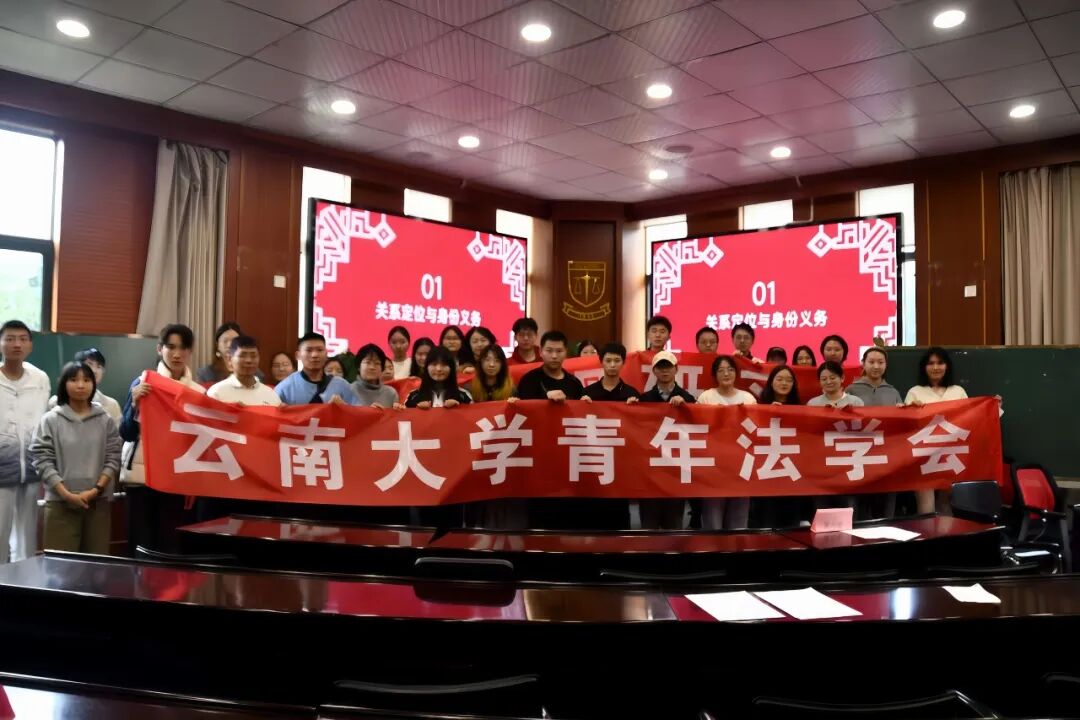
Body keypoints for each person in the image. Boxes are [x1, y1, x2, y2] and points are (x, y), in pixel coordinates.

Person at [120, 323, 206, 554]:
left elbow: (200, 443)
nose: (177, 354)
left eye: (183, 348)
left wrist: (194, 483)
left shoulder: (198, 393)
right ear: (160, 349)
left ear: (190, 351)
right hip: (142, 478)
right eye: (171, 347)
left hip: (176, 480)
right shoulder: (143, 383)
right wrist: (135, 404)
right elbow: (126, 432)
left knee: (170, 546)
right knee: (141, 546)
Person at [30, 362, 121, 554]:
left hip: (97, 503)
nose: (81, 385)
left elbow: (113, 456)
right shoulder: (50, 420)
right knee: (60, 566)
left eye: (86, 380)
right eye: (73, 380)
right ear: (64, 383)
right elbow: (42, 458)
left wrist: (96, 490)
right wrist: (65, 494)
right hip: (60, 504)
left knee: (96, 564)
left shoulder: (105, 420)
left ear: (93, 384)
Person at [0, 320, 51, 563]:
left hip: (32, 468)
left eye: (22, 339)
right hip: (1, 470)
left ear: (30, 345)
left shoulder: (40, 379)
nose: (16, 344)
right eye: (10, 339)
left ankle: (25, 582)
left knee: (28, 538)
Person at [905, 347, 969, 515]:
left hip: (951, 455)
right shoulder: (915, 391)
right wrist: (909, 410)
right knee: (926, 509)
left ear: (947, 366)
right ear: (924, 367)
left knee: (946, 505)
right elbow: (906, 427)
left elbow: (971, 419)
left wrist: (993, 408)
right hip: (923, 456)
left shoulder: (958, 391)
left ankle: (946, 533)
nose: (935, 367)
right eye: (931, 363)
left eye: (940, 363)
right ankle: (927, 533)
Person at [697, 355, 755, 530]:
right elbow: (697, 426)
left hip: (741, 465)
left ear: (736, 373)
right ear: (715, 375)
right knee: (712, 519)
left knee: (739, 520)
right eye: (721, 370)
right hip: (714, 467)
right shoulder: (706, 397)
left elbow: (755, 428)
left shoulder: (748, 398)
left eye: (730, 369)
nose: (726, 374)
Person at [638, 351, 693, 529]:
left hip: (675, 473)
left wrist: (686, 407)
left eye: (668, 366)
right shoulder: (643, 399)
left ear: (676, 369)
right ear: (654, 370)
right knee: (649, 529)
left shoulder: (688, 398)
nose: (664, 371)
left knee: (674, 530)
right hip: (650, 474)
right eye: (660, 367)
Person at [274, 332, 357, 405]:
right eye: (309, 350)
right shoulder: (285, 388)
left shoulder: (342, 385)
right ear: (298, 355)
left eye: (319, 350)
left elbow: (357, 413)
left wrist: (344, 407)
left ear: (326, 354)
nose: (314, 355)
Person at [48, 348, 121, 421]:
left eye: (99, 367)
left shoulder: (112, 405)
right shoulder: (55, 402)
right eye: (90, 364)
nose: (94, 371)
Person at [207, 335, 282, 406]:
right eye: (242, 355)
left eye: (253, 356)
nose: (248, 360)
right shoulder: (217, 393)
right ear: (230, 359)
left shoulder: (271, 395)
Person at [514, 331, 585, 401]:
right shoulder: (529, 380)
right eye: (549, 351)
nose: (554, 356)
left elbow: (580, 406)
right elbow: (523, 406)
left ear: (566, 352)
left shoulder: (574, 383)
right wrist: (545, 397)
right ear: (540, 352)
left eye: (559, 351)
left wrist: (585, 402)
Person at [405, 347, 472, 408]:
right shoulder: (413, 396)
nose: (438, 369)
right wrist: (417, 409)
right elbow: (405, 416)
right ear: (426, 367)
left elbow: (472, 415)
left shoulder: (463, 395)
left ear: (451, 368)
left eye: (444, 364)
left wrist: (459, 407)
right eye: (434, 364)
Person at [349, 344, 399, 409]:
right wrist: (369, 412)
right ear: (359, 366)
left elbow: (394, 416)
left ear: (382, 368)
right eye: (368, 362)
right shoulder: (349, 390)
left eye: (377, 363)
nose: (372, 367)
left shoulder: (391, 393)